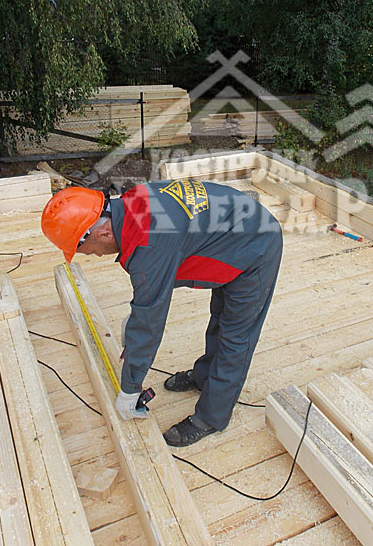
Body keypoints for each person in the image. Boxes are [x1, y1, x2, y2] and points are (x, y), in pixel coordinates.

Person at [41, 179, 283, 447]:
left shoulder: (149, 245)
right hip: (231, 229)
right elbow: (151, 291)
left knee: (236, 337)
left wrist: (130, 389)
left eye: (88, 251)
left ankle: (211, 417)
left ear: (104, 233)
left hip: (256, 244)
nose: (95, 256)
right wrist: (138, 314)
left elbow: (149, 323)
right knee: (220, 317)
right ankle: (204, 377)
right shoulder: (132, 202)